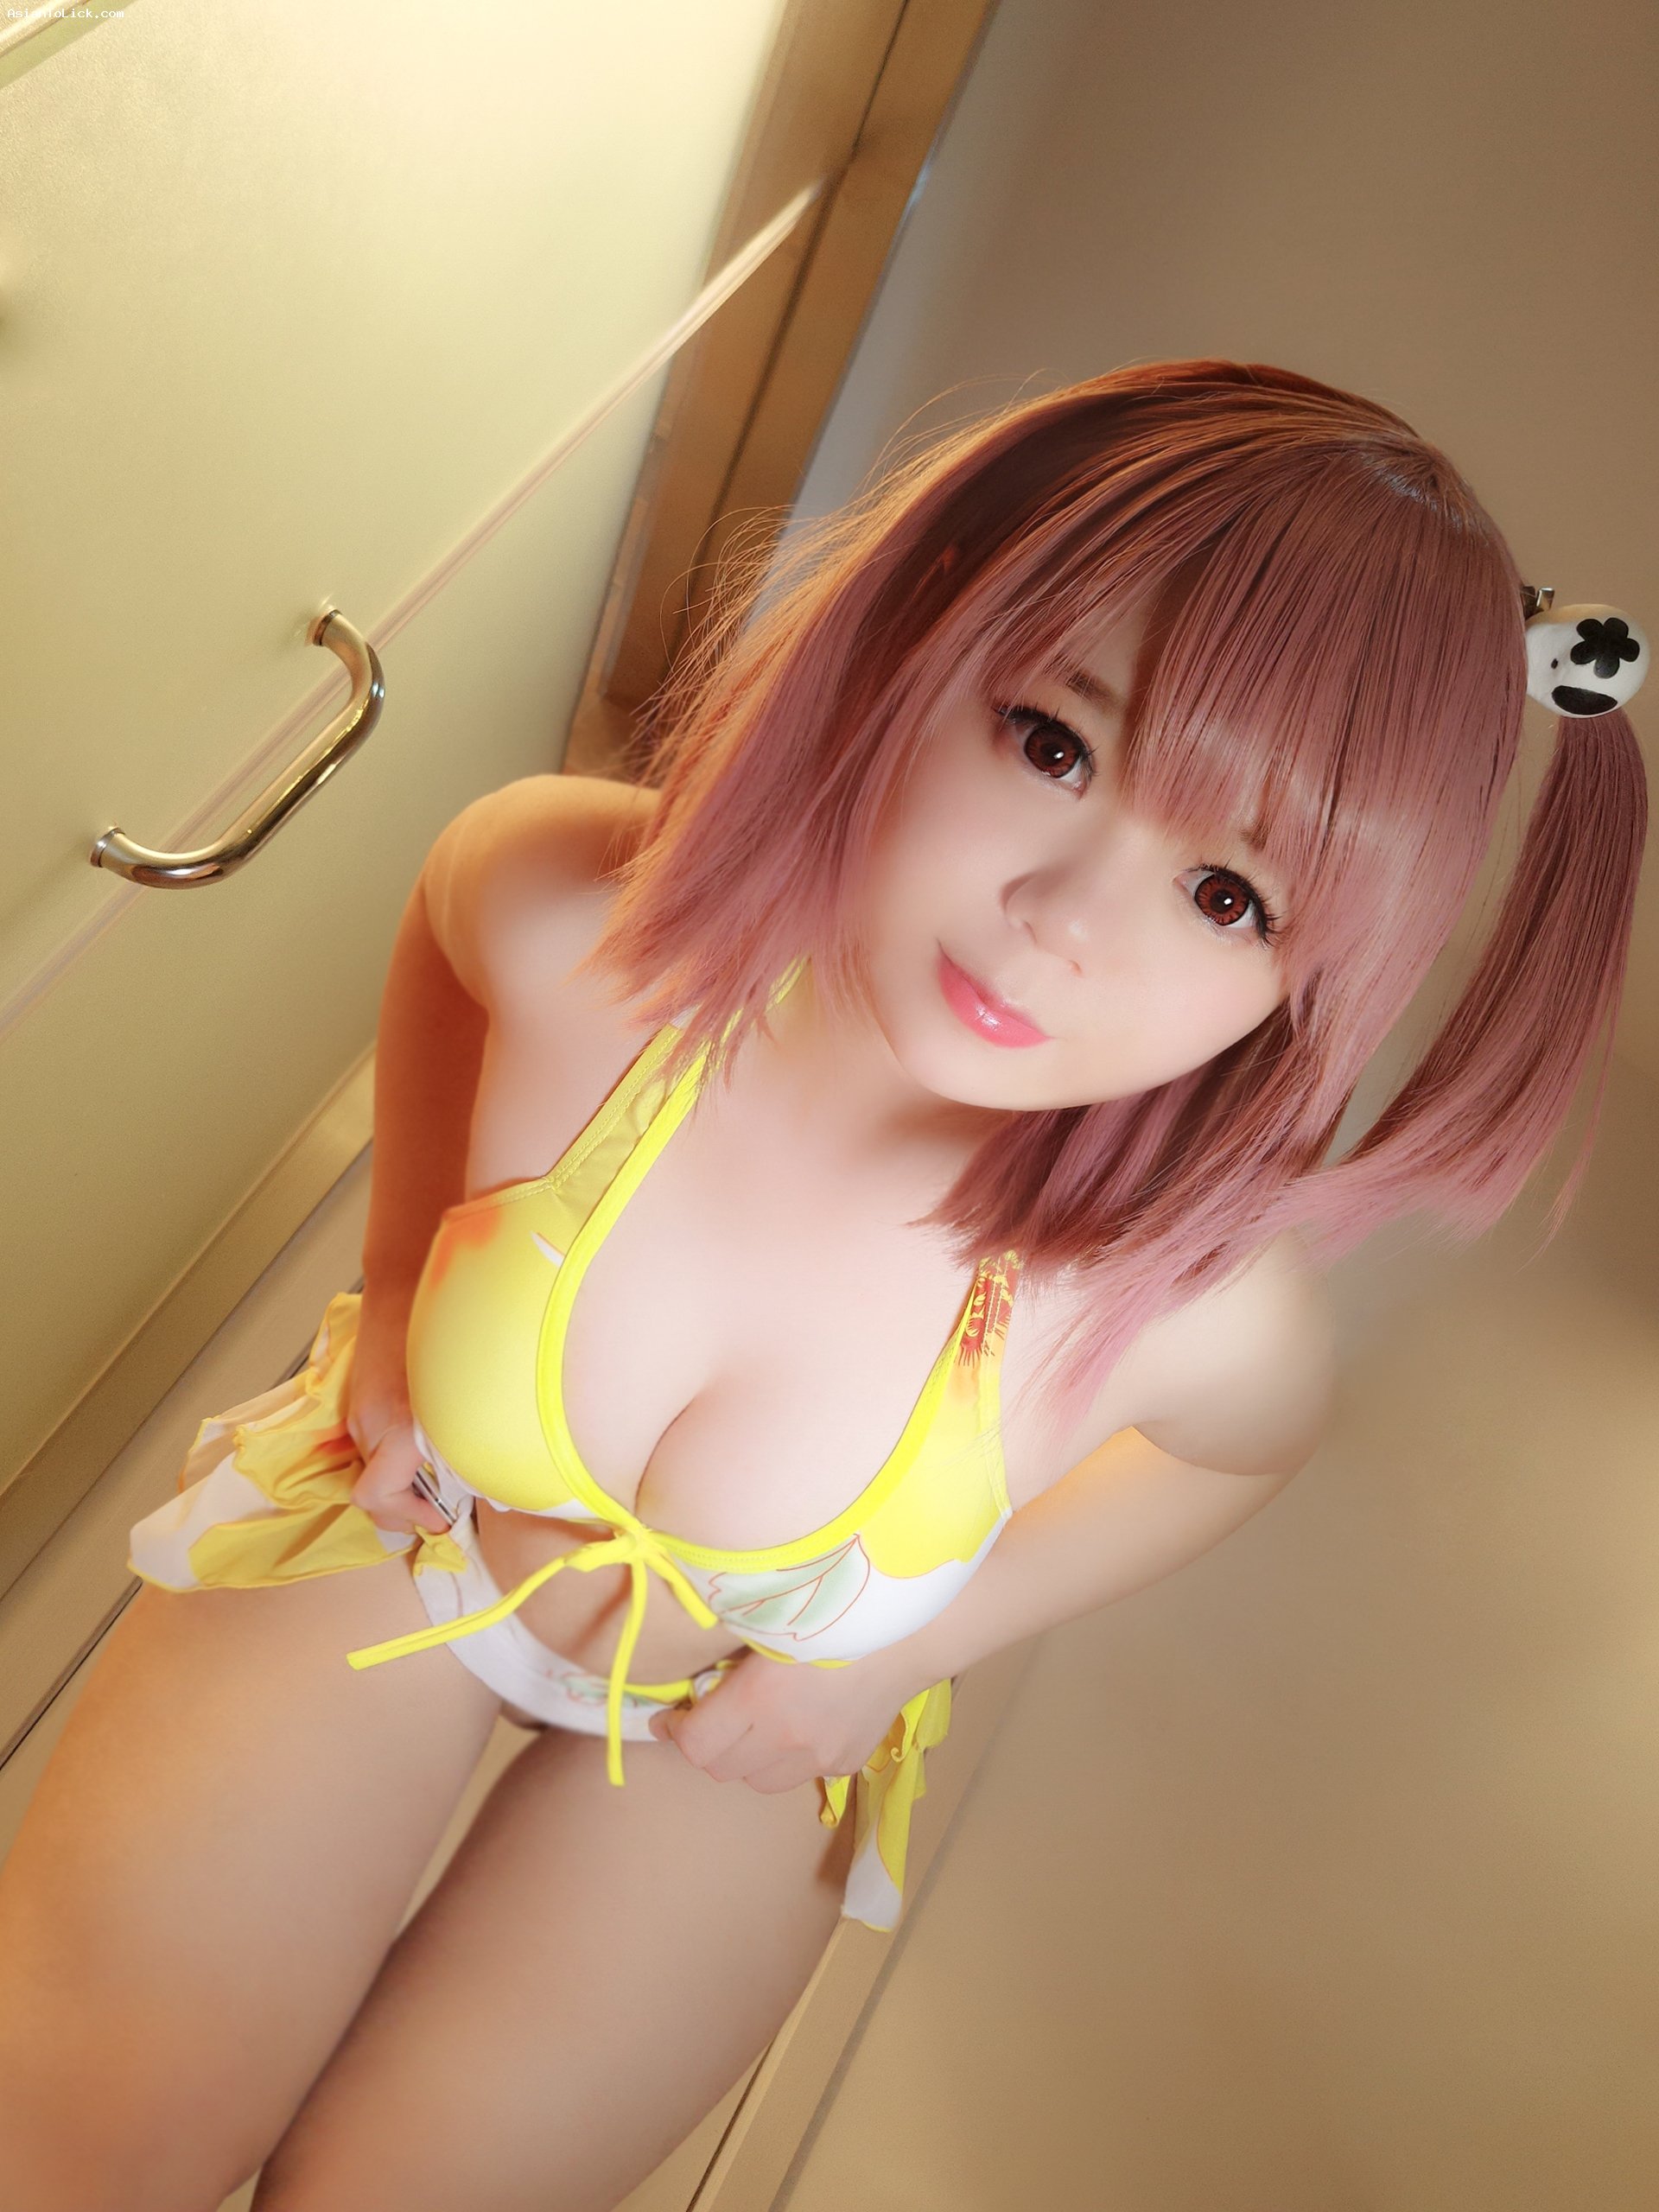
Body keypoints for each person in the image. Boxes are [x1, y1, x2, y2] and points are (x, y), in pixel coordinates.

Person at [0, 359, 1646, 2211]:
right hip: (413, 1533)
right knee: (76, 2152)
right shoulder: (580, 920)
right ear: (920, 624)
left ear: (1310, 982)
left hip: (742, 1720)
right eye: (1053, 742)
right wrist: (393, 1298)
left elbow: (1241, 1450)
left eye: (1229, 896)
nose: (1068, 919)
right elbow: (451, 929)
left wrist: (902, 1650)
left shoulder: (1184, 1307)